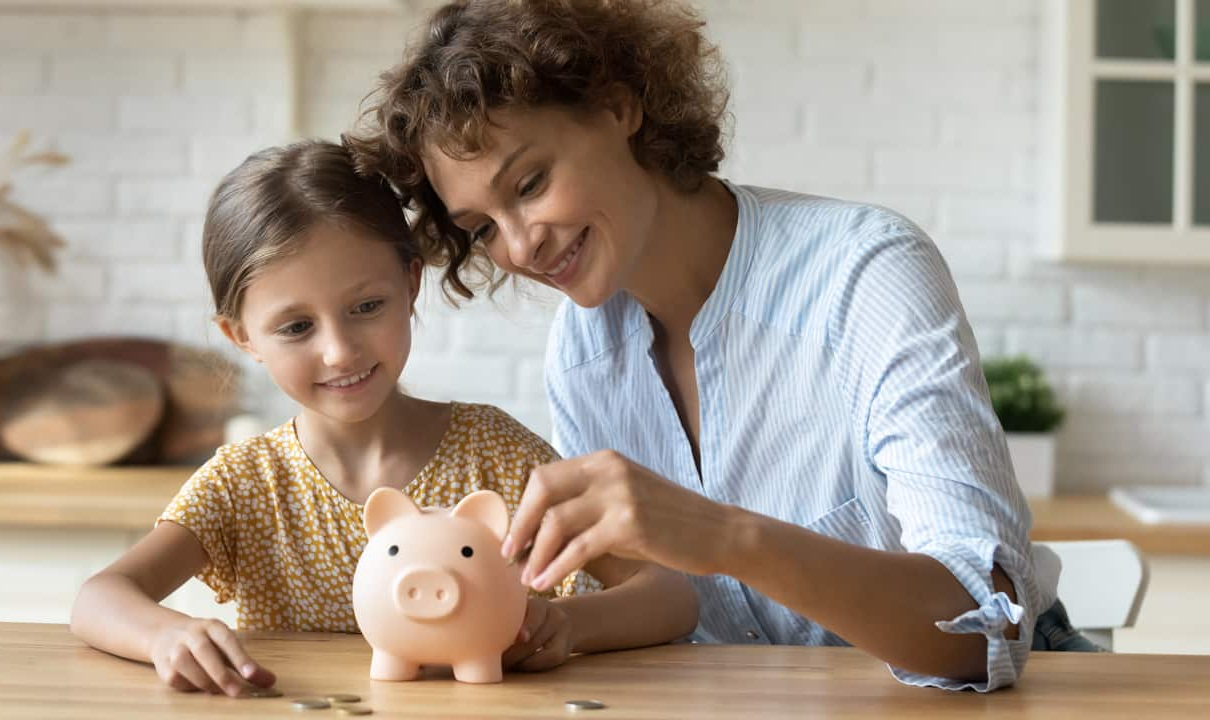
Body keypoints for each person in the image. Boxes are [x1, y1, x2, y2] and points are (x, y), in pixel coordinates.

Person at [346, 0, 1063, 691]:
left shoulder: (864, 274)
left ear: (618, 106)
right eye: (482, 226)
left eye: (530, 183)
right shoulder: (584, 350)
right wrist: (552, 621)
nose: (521, 243)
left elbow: (985, 631)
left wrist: (723, 537)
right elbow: (673, 607)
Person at [69, 139, 698, 696]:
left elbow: (670, 593)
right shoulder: (245, 485)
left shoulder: (496, 456)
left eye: (367, 306)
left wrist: (567, 623)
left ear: (411, 284)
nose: (340, 350)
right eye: (296, 327)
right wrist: (168, 636)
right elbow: (100, 597)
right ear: (242, 337)